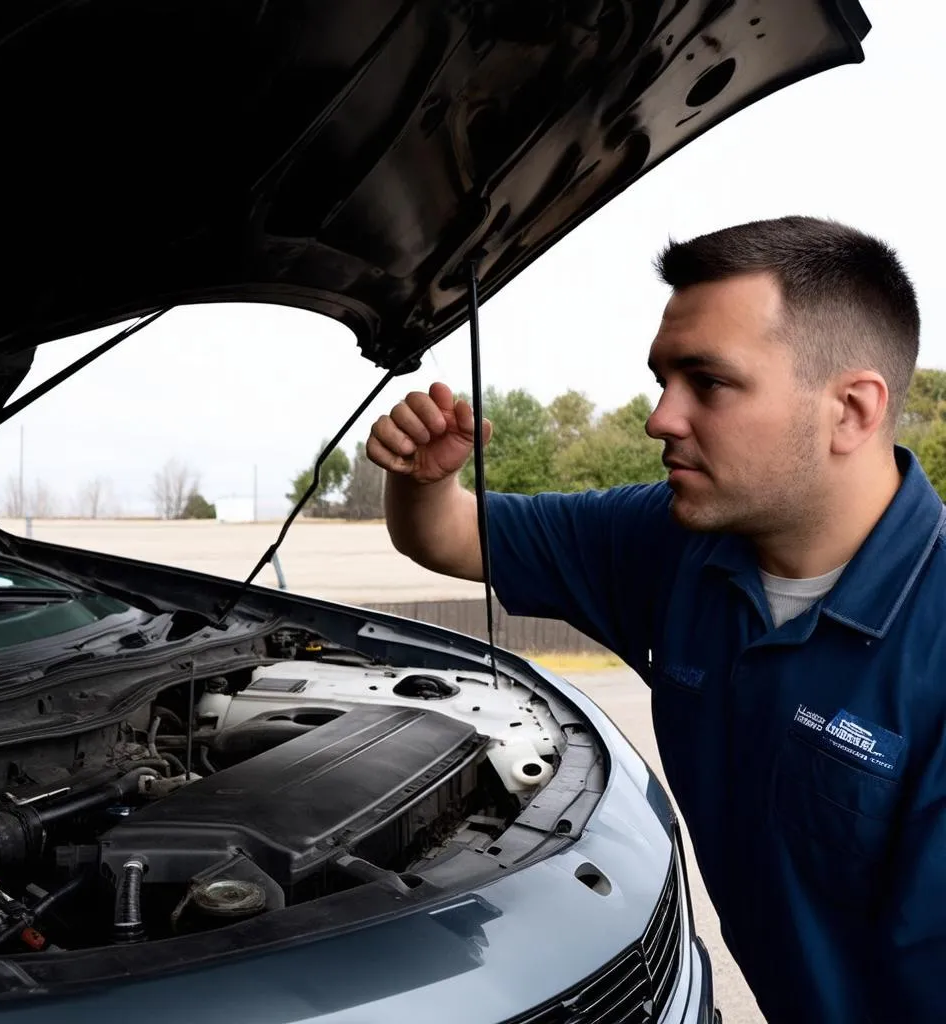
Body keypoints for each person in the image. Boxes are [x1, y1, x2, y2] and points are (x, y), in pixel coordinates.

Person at [365, 216, 946, 1024]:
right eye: (663, 379)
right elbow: (453, 536)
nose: (660, 418)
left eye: (707, 382)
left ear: (851, 410)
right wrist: (425, 479)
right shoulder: (673, 542)